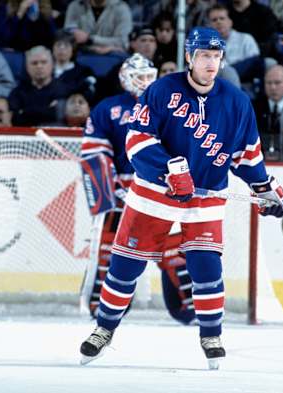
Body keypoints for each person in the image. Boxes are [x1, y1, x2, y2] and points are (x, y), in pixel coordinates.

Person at [79, 26, 283, 369]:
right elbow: (136, 141)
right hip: (153, 193)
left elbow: (246, 157)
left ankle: (211, 335)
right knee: (124, 266)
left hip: (204, 199)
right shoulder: (162, 90)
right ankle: (103, 329)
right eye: (204, 55)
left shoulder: (236, 103)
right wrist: (169, 169)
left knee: (207, 269)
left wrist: (265, 188)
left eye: (216, 56)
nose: (210, 62)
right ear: (190, 57)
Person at [79, 53, 196, 326]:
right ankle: (102, 309)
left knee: (175, 250)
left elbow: (187, 146)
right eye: (138, 77)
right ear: (124, 79)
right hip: (122, 191)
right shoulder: (107, 109)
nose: (144, 82)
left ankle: (188, 307)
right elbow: (94, 154)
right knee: (111, 248)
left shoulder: (171, 106)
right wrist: (109, 188)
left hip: (161, 189)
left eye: (148, 76)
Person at [8, 45, 68, 126]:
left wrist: (25, 112)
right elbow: (15, 119)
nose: (39, 66)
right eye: (34, 63)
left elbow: (59, 116)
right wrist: (48, 110)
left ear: (52, 65)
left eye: (44, 62)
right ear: (27, 67)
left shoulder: (63, 90)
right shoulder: (17, 93)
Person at [64, 0, 132, 54]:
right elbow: (67, 32)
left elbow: (123, 41)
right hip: (80, 53)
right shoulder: (75, 5)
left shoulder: (121, 8)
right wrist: (74, 33)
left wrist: (90, 39)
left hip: (112, 55)